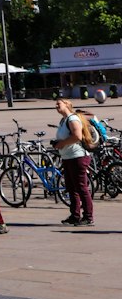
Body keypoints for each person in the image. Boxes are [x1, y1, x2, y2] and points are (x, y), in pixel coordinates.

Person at [52, 97, 93, 226]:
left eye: (59, 103)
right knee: (71, 188)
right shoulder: (63, 120)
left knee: (81, 188)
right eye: (56, 104)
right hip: (67, 157)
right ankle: (75, 215)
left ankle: (88, 217)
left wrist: (62, 144)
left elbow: (77, 136)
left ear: (67, 104)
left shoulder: (72, 118)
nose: (56, 106)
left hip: (77, 157)